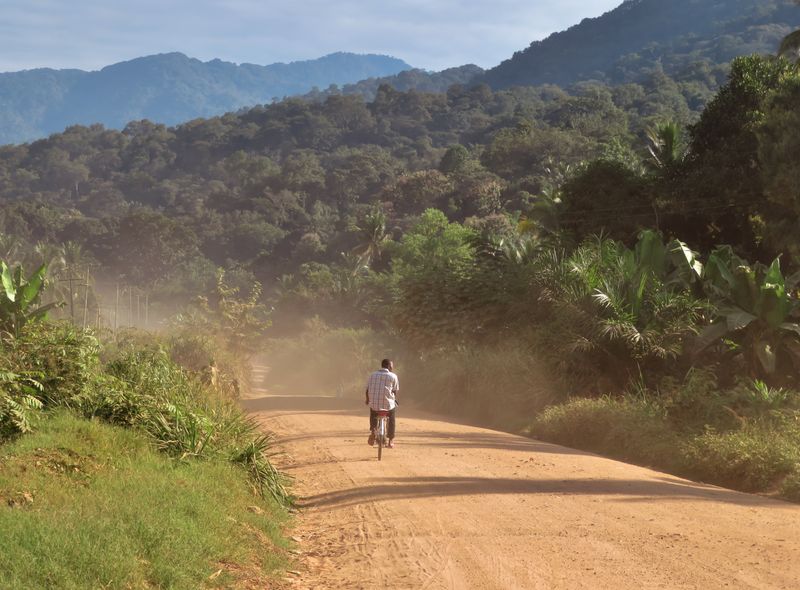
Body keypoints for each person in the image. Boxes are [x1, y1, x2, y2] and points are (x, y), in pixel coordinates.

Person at [365, 359, 399, 448]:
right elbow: (395, 391)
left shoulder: (372, 375)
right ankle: (391, 440)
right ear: (388, 366)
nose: (392, 367)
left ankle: (373, 431)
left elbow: (367, 389)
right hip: (388, 405)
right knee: (391, 418)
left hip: (375, 404)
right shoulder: (393, 376)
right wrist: (393, 399)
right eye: (392, 366)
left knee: (373, 412)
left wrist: (367, 400)